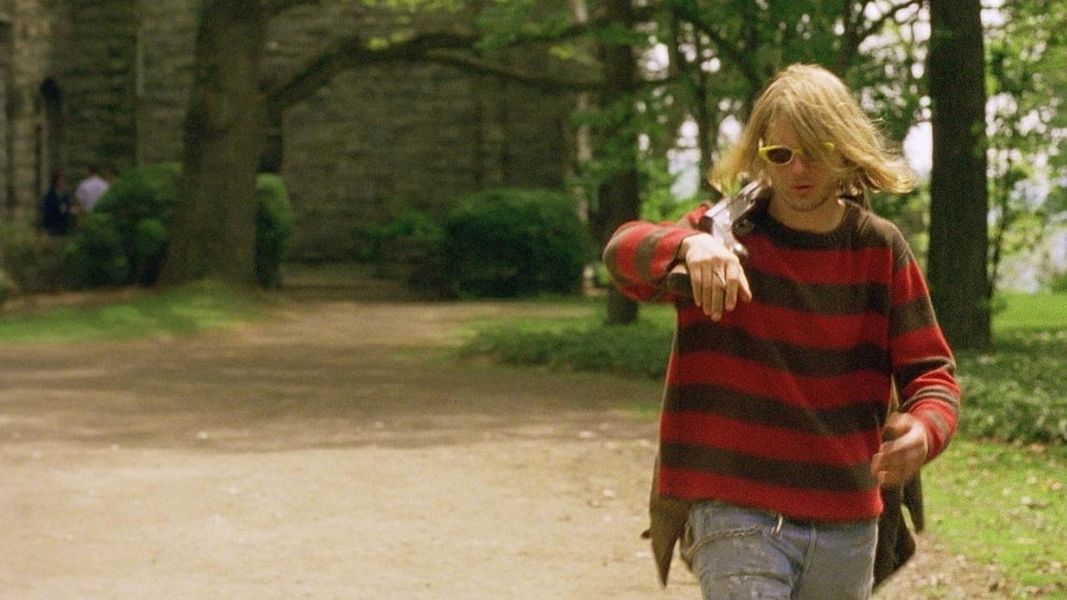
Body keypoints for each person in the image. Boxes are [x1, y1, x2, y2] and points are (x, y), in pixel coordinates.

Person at [602, 63, 960, 600]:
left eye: (815, 151)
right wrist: (688, 246)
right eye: (780, 154)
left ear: (845, 150)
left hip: (847, 519)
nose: (798, 169)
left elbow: (933, 374)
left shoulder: (879, 249)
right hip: (734, 511)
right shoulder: (722, 234)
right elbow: (621, 253)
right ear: (760, 155)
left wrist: (924, 431)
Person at [39, 170, 73, 236]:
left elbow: (68, 205)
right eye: (61, 181)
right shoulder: (50, 194)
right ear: (56, 182)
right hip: (53, 224)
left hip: (63, 224)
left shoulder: (65, 194)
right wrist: (58, 208)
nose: (63, 183)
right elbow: (46, 209)